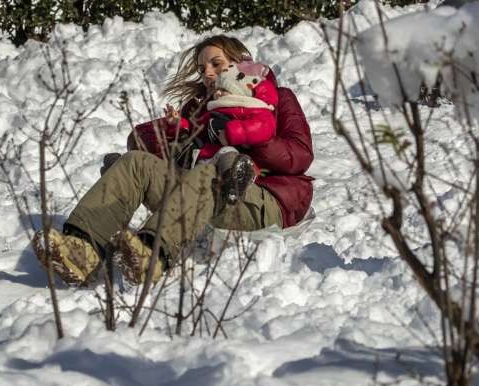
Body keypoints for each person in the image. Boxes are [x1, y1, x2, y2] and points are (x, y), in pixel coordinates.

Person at [32, 35, 314, 286]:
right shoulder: (199, 109)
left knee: (210, 174)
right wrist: (175, 130)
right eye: (203, 68)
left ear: (241, 63)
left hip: (262, 200)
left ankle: (150, 256)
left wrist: (243, 134)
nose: (208, 73)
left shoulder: (279, 99)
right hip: (199, 196)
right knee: (134, 163)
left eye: (216, 64)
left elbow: (299, 157)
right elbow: (140, 141)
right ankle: (79, 250)